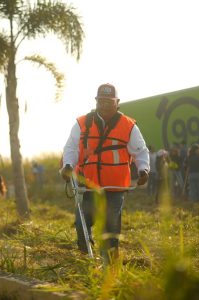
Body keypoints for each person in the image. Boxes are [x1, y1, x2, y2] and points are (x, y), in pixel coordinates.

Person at [60, 83, 150, 262]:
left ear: (117, 103)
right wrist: (68, 165)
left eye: (109, 102)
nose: (105, 105)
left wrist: (143, 170)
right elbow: (71, 148)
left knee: (110, 228)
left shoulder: (128, 126)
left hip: (115, 187)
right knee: (81, 223)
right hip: (89, 186)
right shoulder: (83, 123)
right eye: (101, 101)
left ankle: (110, 265)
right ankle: (86, 255)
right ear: (96, 101)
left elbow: (140, 151)